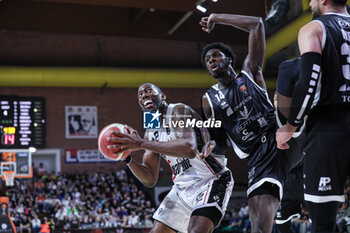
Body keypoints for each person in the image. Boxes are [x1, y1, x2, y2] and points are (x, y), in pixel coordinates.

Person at [199, 13, 287, 233]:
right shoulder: (209, 99)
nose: (211, 61)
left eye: (216, 56)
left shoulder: (249, 72)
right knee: (257, 225)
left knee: (265, 214)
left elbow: (256, 24)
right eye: (208, 60)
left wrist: (216, 17)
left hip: (274, 139)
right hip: (254, 157)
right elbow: (218, 138)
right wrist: (209, 144)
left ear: (229, 59)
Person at [108, 83, 234, 233]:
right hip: (181, 189)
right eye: (140, 95)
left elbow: (189, 149)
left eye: (149, 91)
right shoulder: (151, 129)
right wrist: (126, 157)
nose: (144, 96)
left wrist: (140, 143)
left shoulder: (178, 110)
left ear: (162, 96)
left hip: (211, 180)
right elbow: (149, 178)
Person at [276, 0, 350, 231]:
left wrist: (290, 126)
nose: (309, 3)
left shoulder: (314, 28)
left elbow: (309, 81)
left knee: (323, 221)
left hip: (329, 126)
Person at [274, 58, 306, 233]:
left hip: (305, 174)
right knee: (282, 227)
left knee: (323, 219)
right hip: (284, 181)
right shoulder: (269, 120)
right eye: (275, 98)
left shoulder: (297, 117)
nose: (277, 100)